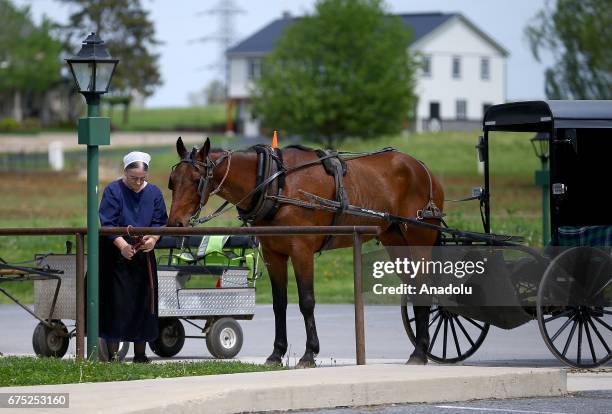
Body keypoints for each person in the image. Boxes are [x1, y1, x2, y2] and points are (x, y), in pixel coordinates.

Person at [98, 151, 168, 363]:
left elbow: (160, 223)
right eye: (133, 178)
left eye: (142, 179)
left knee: (144, 303)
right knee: (116, 305)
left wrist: (153, 240)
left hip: (143, 258)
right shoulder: (113, 190)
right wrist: (122, 245)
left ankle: (141, 355)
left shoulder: (154, 193)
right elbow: (107, 223)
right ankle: (113, 355)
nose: (138, 183)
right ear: (125, 173)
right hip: (116, 257)